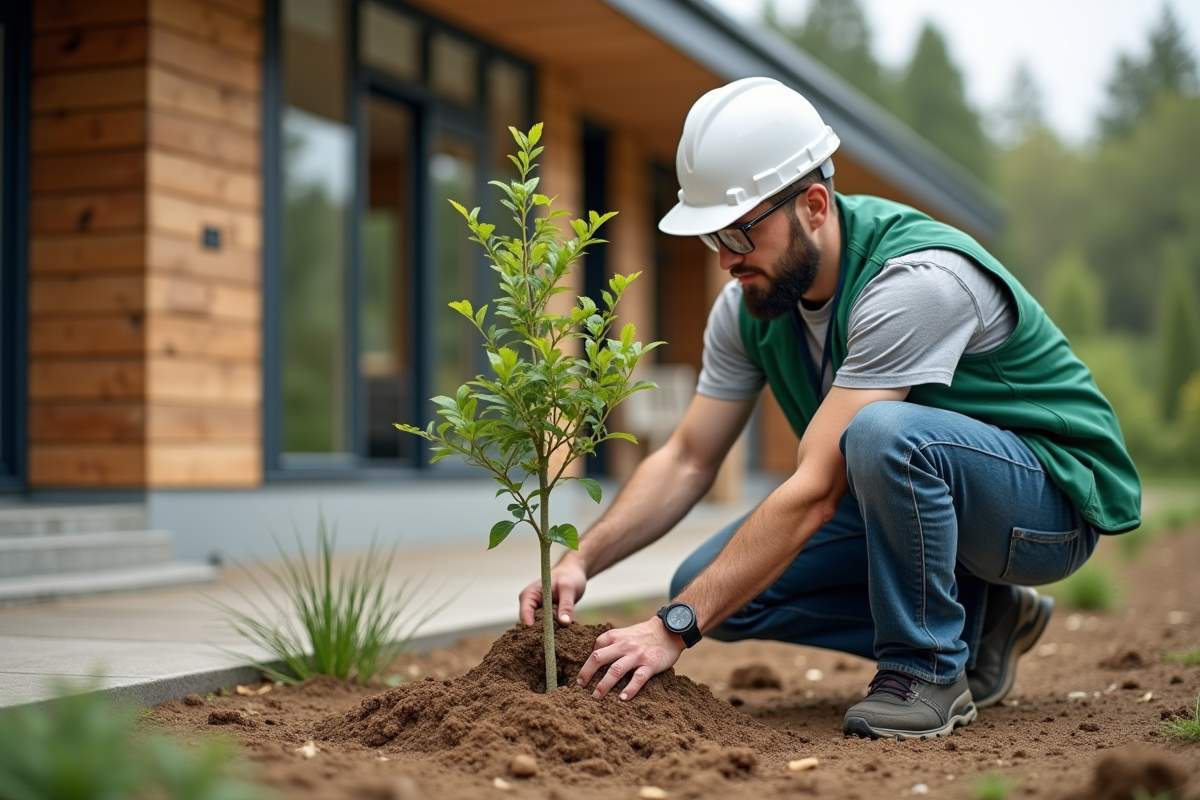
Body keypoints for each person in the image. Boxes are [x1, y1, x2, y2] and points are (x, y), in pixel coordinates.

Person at [517, 77, 1141, 741]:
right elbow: (689, 456)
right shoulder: (750, 305)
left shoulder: (914, 281)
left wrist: (674, 627)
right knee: (708, 586)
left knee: (881, 437)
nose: (726, 259)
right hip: (931, 492)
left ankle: (927, 670)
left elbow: (817, 489)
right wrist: (581, 556)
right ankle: (984, 625)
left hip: (1045, 503)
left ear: (814, 205)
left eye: (739, 232)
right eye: (711, 238)